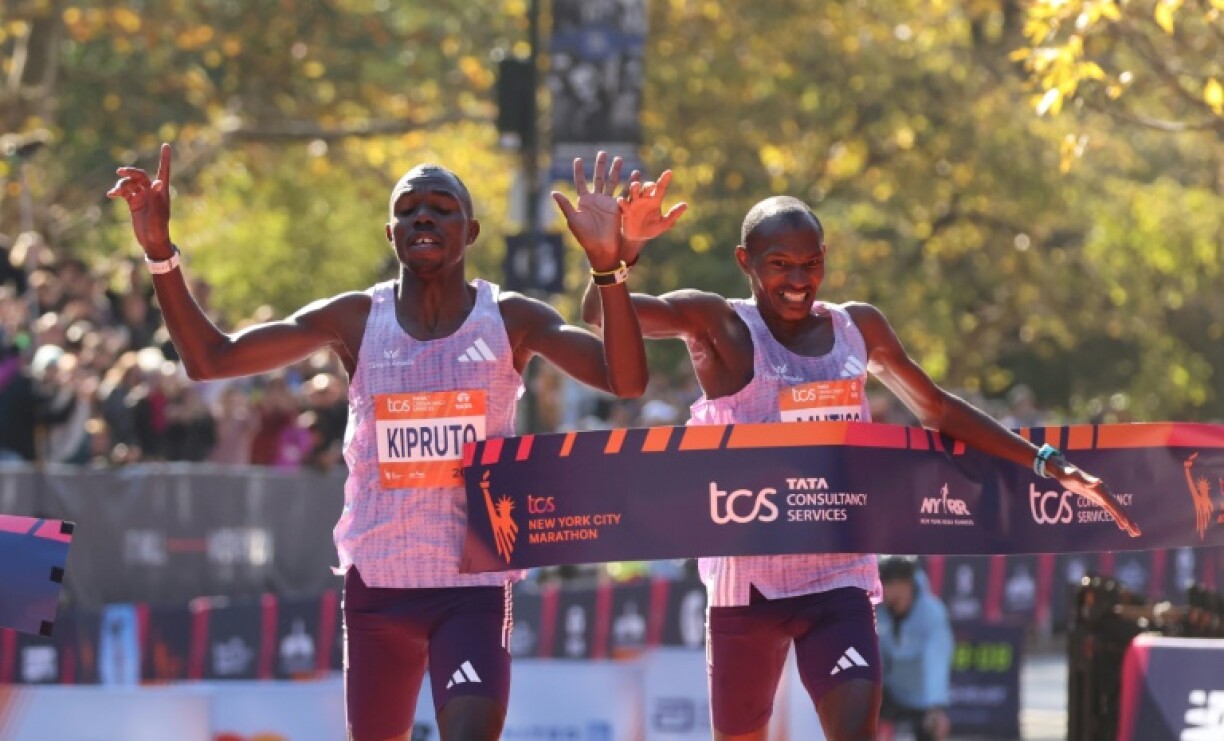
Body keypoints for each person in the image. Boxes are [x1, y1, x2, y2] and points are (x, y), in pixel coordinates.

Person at [108, 146, 652, 741]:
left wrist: (608, 268)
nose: (424, 218)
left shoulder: (511, 318)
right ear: (390, 232)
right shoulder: (355, 320)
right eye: (409, 209)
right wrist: (160, 254)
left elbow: (624, 380)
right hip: (380, 587)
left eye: (442, 209)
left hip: (471, 588)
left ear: (469, 231)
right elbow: (210, 361)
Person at [584, 179, 1140, 740]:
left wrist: (1044, 459)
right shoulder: (718, 324)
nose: (798, 281)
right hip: (746, 583)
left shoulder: (857, 328)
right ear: (745, 263)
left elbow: (937, 409)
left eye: (810, 263)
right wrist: (620, 253)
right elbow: (598, 314)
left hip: (837, 574)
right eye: (779, 264)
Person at [876, 557, 953, 741]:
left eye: (885, 584)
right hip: (890, 693)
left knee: (932, 728)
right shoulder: (877, 609)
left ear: (904, 584)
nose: (880, 590)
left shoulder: (932, 612)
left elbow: (936, 660)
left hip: (923, 698)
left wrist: (936, 706)